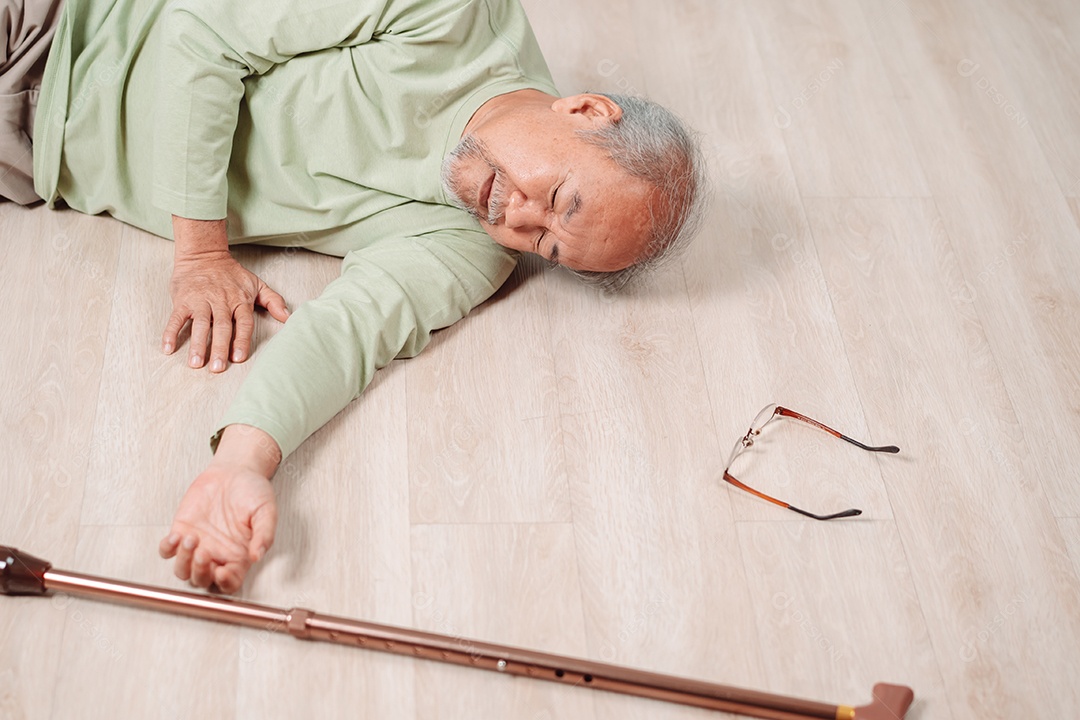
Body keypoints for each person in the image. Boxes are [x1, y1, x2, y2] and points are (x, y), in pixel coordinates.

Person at [2, 0, 706, 593]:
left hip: (31, 157)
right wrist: (200, 253)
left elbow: (347, 336)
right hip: (57, 25)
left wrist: (239, 464)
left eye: (548, 245)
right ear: (585, 109)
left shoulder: (475, 247)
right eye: (560, 198)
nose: (522, 219)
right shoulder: (449, 16)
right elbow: (203, 28)